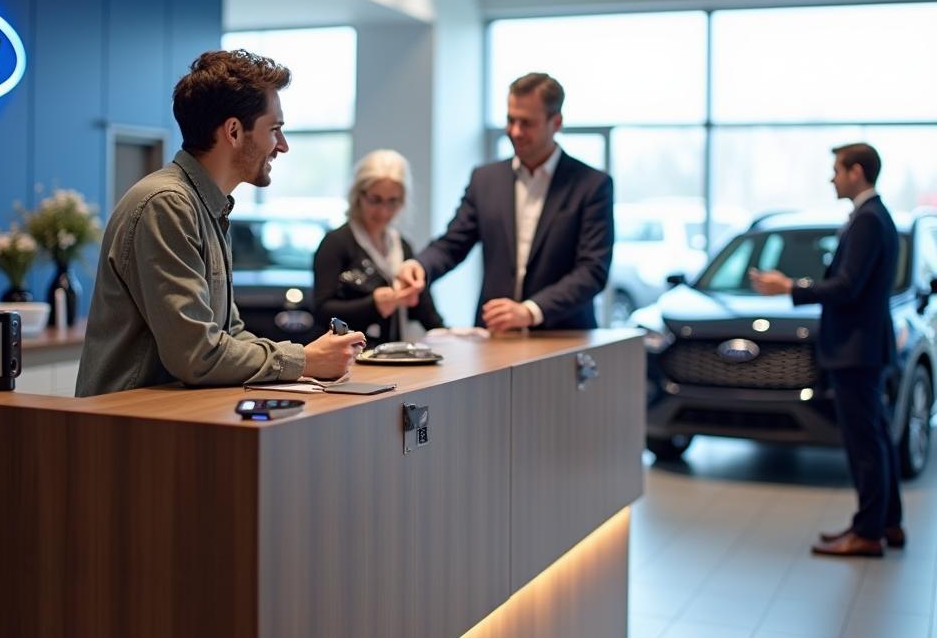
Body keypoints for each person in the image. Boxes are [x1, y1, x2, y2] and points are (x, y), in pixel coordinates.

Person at [76, 49, 365, 396]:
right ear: (233, 132)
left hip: (167, 423)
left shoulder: (208, 207)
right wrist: (303, 359)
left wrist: (308, 362)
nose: (283, 146)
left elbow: (230, 336)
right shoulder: (167, 205)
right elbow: (197, 355)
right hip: (129, 430)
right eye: (274, 130)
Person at [751, 142, 902, 558]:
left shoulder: (869, 219)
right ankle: (887, 522)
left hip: (856, 348)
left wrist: (790, 287)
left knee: (864, 443)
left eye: (836, 170)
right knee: (876, 437)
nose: (831, 178)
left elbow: (847, 286)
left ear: (856, 172)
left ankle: (869, 532)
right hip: (864, 345)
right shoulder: (872, 216)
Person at [397, 72, 613, 332]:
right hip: (495, 335)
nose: (515, 131)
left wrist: (530, 311)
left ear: (556, 123)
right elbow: (453, 243)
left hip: (561, 337)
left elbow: (592, 271)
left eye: (527, 123)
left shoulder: (591, 184)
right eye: (511, 120)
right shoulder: (486, 179)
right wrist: (419, 265)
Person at [313, 150, 444, 345]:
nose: (383, 211)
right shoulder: (336, 243)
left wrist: (453, 336)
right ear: (359, 195)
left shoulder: (402, 246)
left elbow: (426, 313)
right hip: (351, 360)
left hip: (394, 357)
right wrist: (373, 305)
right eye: (375, 200)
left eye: (393, 201)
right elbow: (323, 313)